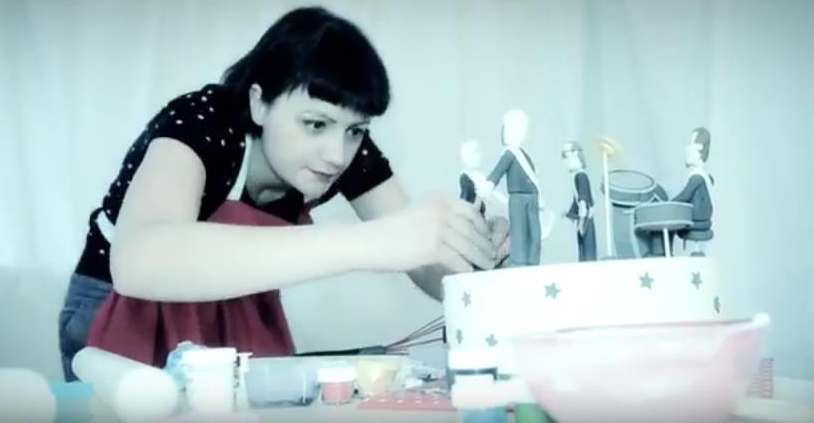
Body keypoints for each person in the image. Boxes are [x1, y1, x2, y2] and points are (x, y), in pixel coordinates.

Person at [58, 6, 508, 381]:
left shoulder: (345, 148)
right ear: (259, 102)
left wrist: (475, 260)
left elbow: (424, 263)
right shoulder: (203, 121)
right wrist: (375, 242)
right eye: (315, 124)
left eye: (356, 130)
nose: (337, 154)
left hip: (234, 317)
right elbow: (140, 261)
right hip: (119, 315)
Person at [479, 109, 541, 267]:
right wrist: (489, 185)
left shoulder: (524, 155)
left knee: (534, 232)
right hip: (517, 198)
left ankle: (533, 261)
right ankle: (519, 261)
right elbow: (498, 171)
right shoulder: (509, 153)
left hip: (532, 198)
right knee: (519, 232)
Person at [671, 127, 714, 256]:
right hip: (702, 219)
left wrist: (669, 203)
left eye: (692, 144)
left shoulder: (697, 177)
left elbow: (685, 195)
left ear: (700, 150)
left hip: (698, 221)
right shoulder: (704, 176)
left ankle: (666, 251)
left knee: (670, 225)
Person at [561, 141, 597, 262]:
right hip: (583, 218)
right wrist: (570, 213)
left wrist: (581, 222)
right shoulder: (577, 176)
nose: (565, 160)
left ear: (575, 153)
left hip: (586, 219)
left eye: (565, 155)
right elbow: (576, 200)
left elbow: (583, 200)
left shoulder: (581, 176)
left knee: (587, 250)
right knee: (582, 248)